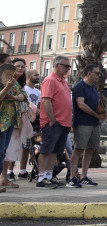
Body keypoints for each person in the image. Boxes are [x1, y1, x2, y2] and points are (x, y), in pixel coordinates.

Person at [36, 56, 74, 188]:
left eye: (68, 67)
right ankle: (41, 178)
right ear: (57, 65)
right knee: (46, 150)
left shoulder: (63, 81)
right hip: (54, 122)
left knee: (54, 151)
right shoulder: (50, 80)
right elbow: (46, 100)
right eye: (66, 66)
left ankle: (48, 175)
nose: (68, 69)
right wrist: (51, 119)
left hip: (63, 123)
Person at [70, 64, 107, 187]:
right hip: (83, 122)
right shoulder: (79, 86)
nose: (99, 76)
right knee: (78, 149)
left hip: (94, 124)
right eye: (97, 73)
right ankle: (72, 177)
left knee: (90, 149)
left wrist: (102, 112)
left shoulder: (94, 88)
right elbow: (81, 104)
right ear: (88, 74)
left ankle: (83, 176)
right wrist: (96, 115)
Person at [0, 56, 27, 190]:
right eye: (9, 63)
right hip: (1, 120)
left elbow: (23, 95)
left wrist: (16, 97)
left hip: (10, 120)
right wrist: (6, 88)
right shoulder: (3, 79)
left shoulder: (12, 80)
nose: (12, 65)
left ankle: (2, 178)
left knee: (3, 151)